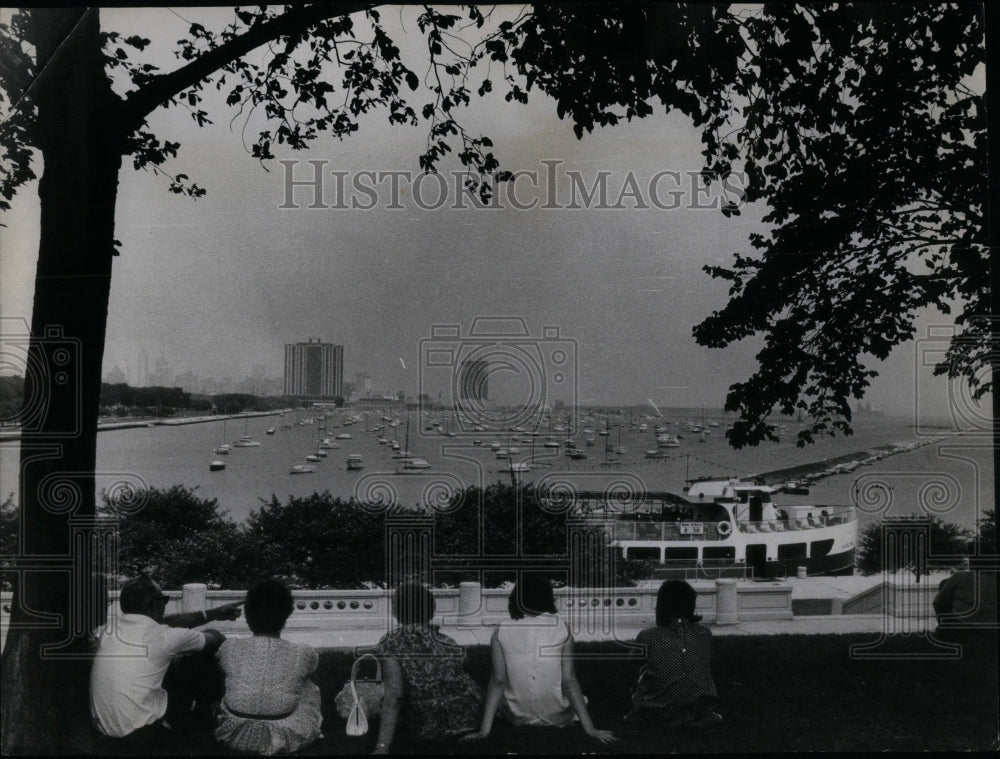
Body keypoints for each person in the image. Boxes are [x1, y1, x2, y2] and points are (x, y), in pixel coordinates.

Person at [89, 576, 243, 748]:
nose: (165, 605)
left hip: (104, 734)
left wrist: (213, 613)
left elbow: (163, 622)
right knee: (195, 658)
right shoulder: (163, 636)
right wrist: (213, 627)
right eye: (164, 600)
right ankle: (206, 718)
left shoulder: (106, 631)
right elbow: (215, 639)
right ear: (153, 604)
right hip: (142, 738)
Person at [463, 574, 617, 744]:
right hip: (557, 715)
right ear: (548, 598)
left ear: (515, 599)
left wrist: (483, 731)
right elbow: (569, 680)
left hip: (518, 716)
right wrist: (590, 729)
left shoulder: (501, 630)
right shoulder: (562, 627)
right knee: (579, 698)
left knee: (496, 698)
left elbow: (498, 681)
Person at [214, 577, 323, 755]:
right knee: (308, 685)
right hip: (284, 733)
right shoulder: (302, 652)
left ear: (248, 614)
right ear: (287, 613)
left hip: (234, 732)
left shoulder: (229, 647)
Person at [372, 582, 483, 753]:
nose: (391, 604)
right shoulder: (447, 641)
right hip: (467, 718)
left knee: (376, 698)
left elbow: (394, 697)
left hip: (425, 726)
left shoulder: (391, 643)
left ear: (399, 609)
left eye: (393, 601)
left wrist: (382, 747)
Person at [625, 580, 721, 728]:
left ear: (662, 605)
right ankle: (691, 714)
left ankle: (639, 710)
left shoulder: (648, 635)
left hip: (657, 709)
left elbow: (631, 661)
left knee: (643, 670)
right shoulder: (705, 633)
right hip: (697, 708)